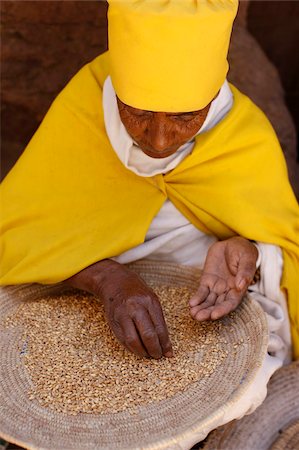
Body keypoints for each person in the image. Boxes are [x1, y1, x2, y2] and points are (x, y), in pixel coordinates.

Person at [0, 0, 298, 407]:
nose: (159, 140)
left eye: (185, 116)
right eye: (137, 112)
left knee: (247, 387)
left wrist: (249, 252)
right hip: (76, 296)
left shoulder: (244, 137)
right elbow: (14, 231)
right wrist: (107, 279)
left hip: (203, 299)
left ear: (212, 98)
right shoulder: (85, 108)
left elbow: (288, 250)